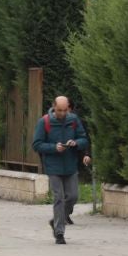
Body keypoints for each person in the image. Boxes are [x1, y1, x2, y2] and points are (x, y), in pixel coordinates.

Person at [33, 95, 89, 244]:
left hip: (70, 165)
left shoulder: (74, 121)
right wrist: (53, 148)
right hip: (53, 166)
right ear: (54, 107)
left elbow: (84, 139)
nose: (63, 114)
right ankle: (59, 232)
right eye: (59, 110)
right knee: (59, 198)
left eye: (65, 110)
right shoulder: (44, 122)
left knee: (72, 197)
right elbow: (37, 144)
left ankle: (57, 219)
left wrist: (75, 143)